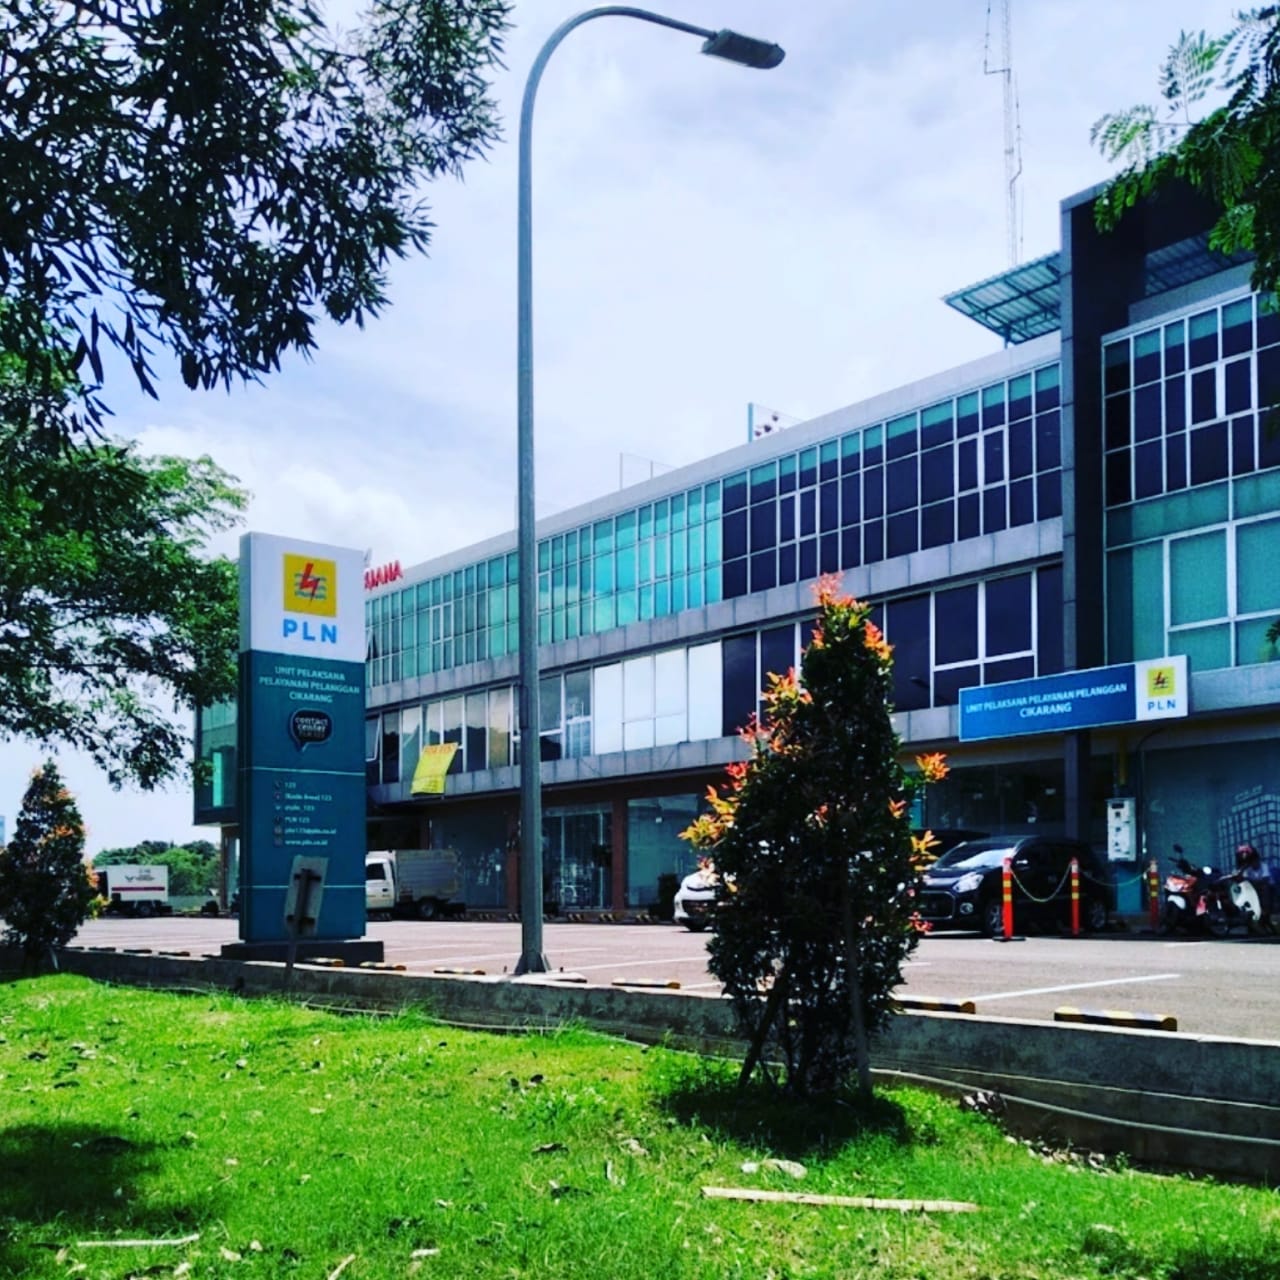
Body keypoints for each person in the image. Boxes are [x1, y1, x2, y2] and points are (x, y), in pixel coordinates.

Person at [1235, 843, 1273, 933]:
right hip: (1252, 889)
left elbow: (1265, 880)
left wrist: (1255, 882)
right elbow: (1244, 880)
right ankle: (1250, 921)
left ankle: (1265, 918)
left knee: (1265, 891)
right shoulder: (1247, 869)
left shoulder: (1263, 866)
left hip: (1265, 889)